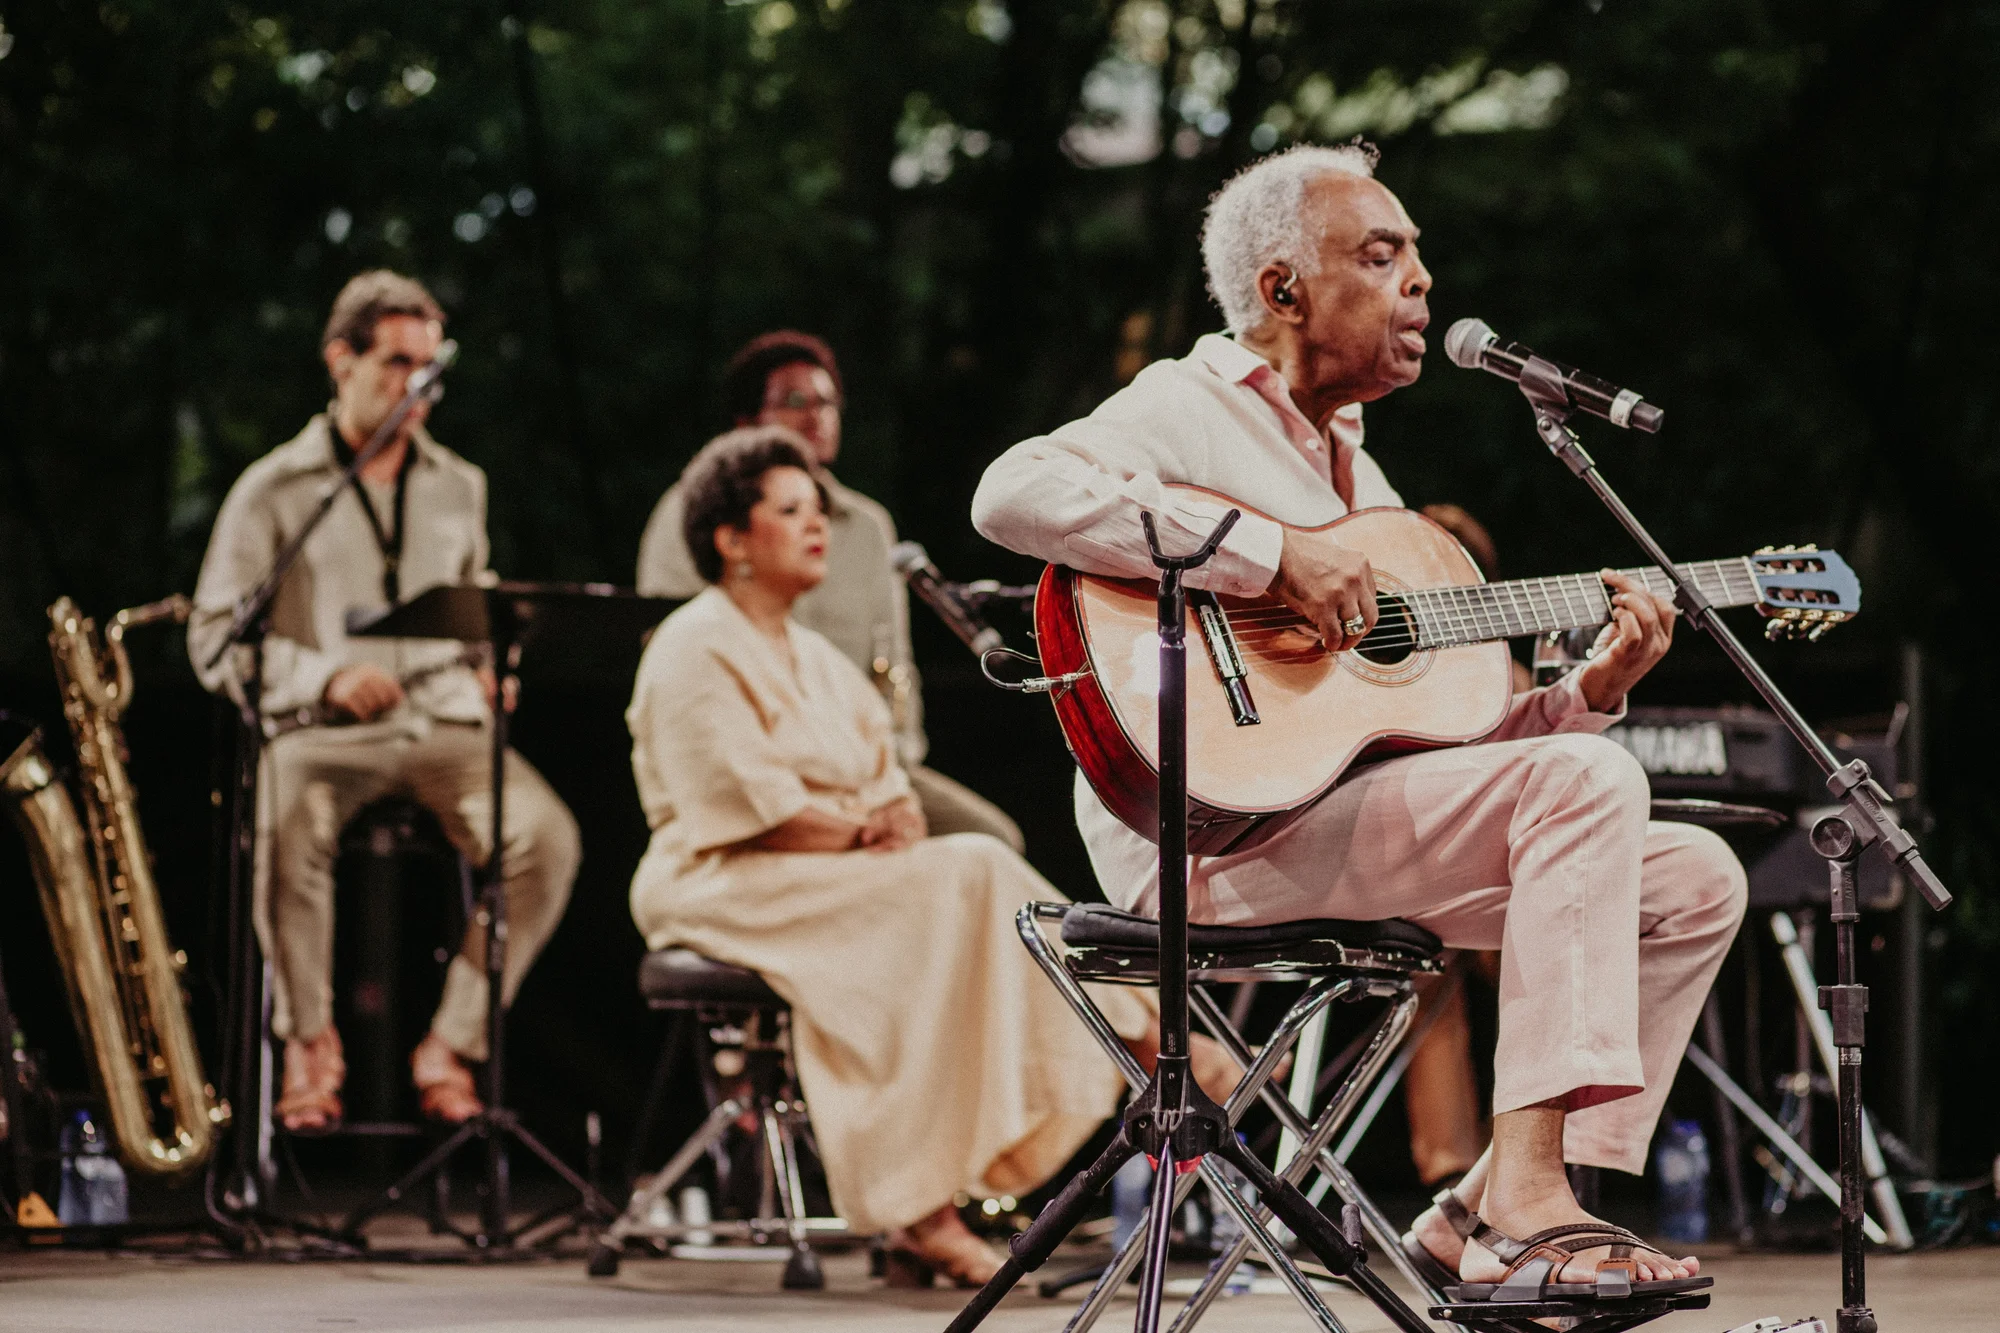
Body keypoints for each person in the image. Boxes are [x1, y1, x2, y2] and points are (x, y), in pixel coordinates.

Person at [971, 145, 1746, 1300]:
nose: (1420, 282)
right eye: (1380, 256)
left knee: (1694, 875)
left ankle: (1474, 1204)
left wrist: (1583, 693)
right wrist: (1267, 553)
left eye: (1417, 256)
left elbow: (1441, 733)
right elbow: (1010, 492)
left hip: (1326, 820)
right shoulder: (1186, 401)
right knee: (1586, 787)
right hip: (1204, 839)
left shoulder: (1361, 480)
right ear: (1282, 290)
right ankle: (1536, 1218)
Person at [625, 427, 1240, 1285]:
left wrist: (885, 818)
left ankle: (949, 1186)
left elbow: (885, 780)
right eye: (791, 510)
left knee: (963, 880)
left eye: (819, 511)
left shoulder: (815, 657)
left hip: (832, 871)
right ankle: (1143, 1042)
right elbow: (732, 803)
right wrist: (855, 830)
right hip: (726, 878)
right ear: (732, 539)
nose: (818, 527)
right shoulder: (693, 642)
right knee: (973, 871)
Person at [188, 271, 580, 1132]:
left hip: (441, 722)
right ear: (342, 359)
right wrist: (321, 676)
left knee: (545, 838)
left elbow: (469, 603)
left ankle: (453, 1041)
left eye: (430, 367)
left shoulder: (459, 484)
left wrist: (487, 664)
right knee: (287, 823)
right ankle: (308, 1041)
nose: (417, 386)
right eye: (398, 363)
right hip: (326, 733)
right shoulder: (276, 487)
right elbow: (214, 635)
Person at [636, 331, 1022, 850]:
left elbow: (893, 662)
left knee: (991, 841)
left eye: (827, 401)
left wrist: (894, 772)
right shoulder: (693, 513)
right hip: (749, 757)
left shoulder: (867, 527)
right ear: (746, 421)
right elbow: (670, 654)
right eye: (795, 401)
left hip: (859, 762)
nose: (816, 414)